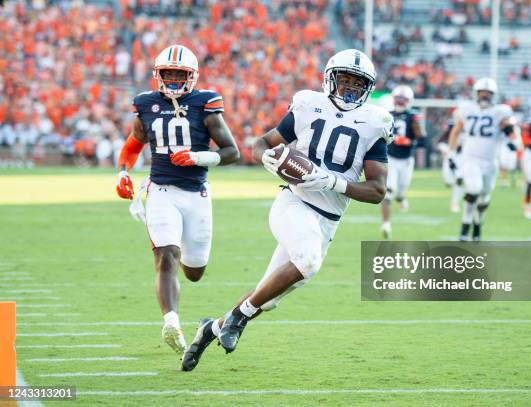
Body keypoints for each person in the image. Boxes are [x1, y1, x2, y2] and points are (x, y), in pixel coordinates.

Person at [181, 49, 393, 371]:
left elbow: (377, 190)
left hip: (327, 222)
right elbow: (262, 143)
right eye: (344, 80)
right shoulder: (309, 105)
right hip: (293, 203)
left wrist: (331, 182)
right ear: (329, 79)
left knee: (269, 296)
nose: (349, 88)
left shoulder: (374, 123)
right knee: (308, 260)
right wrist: (264, 158)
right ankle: (239, 317)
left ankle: (210, 329)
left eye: (357, 83)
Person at [115, 44, 240, 354]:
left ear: (191, 76)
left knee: (194, 271)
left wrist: (198, 157)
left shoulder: (205, 104)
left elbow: (232, 152)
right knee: (166, 255)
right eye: (167, 73)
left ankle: (182, 253)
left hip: (196, 194)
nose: (172, 79)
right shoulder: (146, 104)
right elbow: (133, 145)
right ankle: (171, 321)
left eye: (178, 74)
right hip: (160, 191)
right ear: (158, 74)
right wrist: (122, 172)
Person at [447, 77, 516, 241]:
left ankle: (477, 225)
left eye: (488, 93)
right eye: (482, 92)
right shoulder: (466, 109)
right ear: (476, 93)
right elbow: (456, 131)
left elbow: (510, 130)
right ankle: (465, 227)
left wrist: (512, 140)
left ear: (493, 95)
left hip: (491, 161)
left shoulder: (501, 112)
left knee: (484, 196)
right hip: (470, 158)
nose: (485, 95)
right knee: (473, 189)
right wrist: (451, 153)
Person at [380, 85, 423, 238]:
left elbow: (421, 138)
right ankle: (386, 224)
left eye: (403, 99)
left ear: (409, 101)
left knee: (401, 190)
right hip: (390, 158)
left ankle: (401, 197)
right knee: (388, 191)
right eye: (398, 98)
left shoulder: (413, 117)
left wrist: (412, 137)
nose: (400, 101)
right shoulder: (387, 115)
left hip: (406, 160)